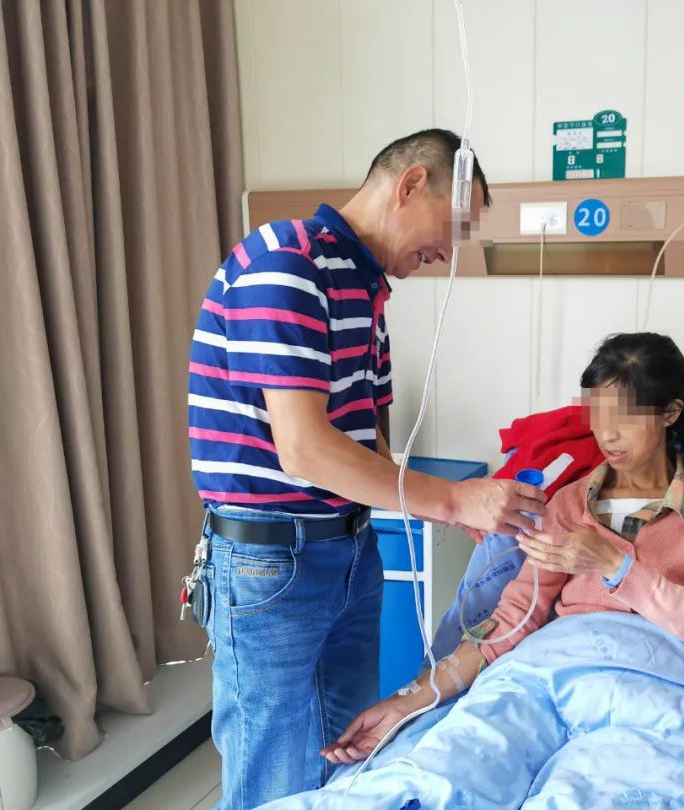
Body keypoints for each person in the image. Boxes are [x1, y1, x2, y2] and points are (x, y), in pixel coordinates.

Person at [186, 128, 547, 809]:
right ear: (411, 184)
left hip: (349, 554)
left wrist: (458, 508)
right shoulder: (285, 262)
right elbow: (304, 449)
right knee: (273, 777)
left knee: (346, 760)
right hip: (272, 566)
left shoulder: (366, 293)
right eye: (451, 230)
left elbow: (368, 446)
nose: (446, 255)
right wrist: (452, 500)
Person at [322, 332, 684, 768]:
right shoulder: (569, 504)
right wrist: (407, 700)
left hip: (657, 686)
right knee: (452, 766)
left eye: (625, 416)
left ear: (670, 412)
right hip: (555, 676)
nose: (607, 434)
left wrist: (616, 565)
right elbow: (514, 618)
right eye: (598, 414)